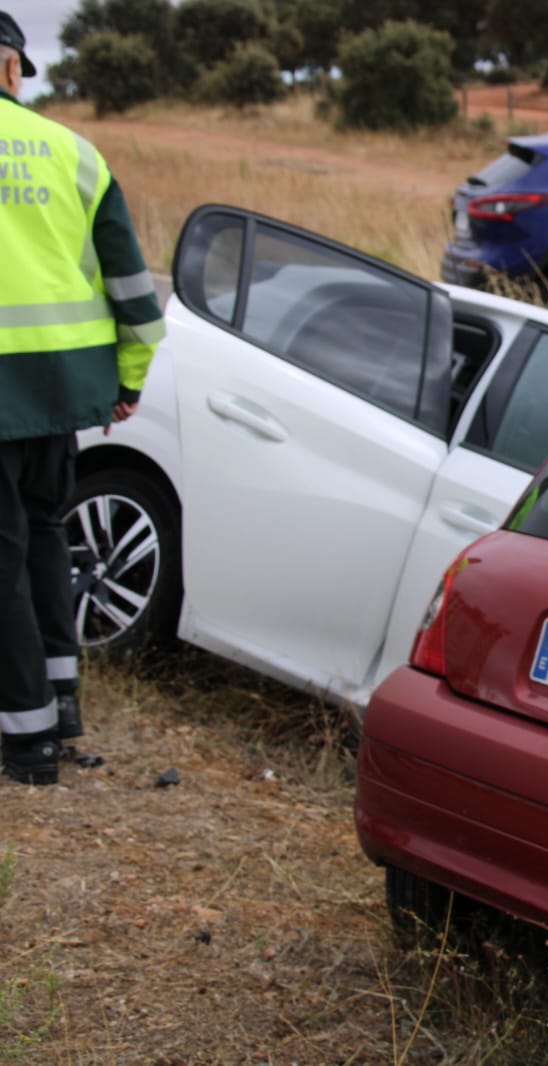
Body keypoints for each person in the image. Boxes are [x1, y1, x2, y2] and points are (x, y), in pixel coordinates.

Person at [1, 9, 164, 786]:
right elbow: (135, 290)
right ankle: (59, 705)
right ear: (10, 69)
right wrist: (126, 380)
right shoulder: (75, 155)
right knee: (41, 535)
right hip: (62, 389)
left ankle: (24, 740)